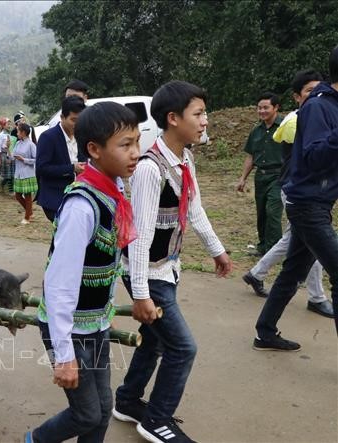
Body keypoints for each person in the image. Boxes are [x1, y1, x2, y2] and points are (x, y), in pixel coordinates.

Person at [113, 81, 232, 443]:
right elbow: (140, 234)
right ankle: (156, 420)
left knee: (155, 340)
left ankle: (128, 401)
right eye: (198, 114)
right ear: (173, 118)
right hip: (148, 272)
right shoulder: (151, 169)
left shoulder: (184, 160)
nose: (205, 121)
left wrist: (217, 249)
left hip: (167, 267)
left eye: (205, 113)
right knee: (182, 348)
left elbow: (194, 210)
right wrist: (140, 293)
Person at [28, 102, 140, 443]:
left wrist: (106, 313)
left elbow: (110, 259)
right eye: (125, 145)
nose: (135, 152)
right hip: (69, 328)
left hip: (94, 323)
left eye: (137, 142)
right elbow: (60, 284)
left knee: (103, 408)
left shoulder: (113, 191)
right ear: (94, 149)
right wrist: (64, 354)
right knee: (87, 412)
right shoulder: (82, 205)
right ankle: (34, 440)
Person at [254, 46, 338, 350]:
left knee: (293, 272)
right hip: (306, 204)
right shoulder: (318, 107)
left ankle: (264, 331)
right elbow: (315, 156)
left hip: (319, 201)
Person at [242, 69, 333, 318]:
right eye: (310, 91)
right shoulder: (299, 119)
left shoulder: (309, 115)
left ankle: (258, 277)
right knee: (310, 246)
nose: (317, 95)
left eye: (319, 89)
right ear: (297, 96)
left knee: (295, 246)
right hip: (300, 194)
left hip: (305, 194)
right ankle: (316, 297)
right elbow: (315, 157)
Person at [236, 92, 284, 256]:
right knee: (262, 213)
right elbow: (250, 156)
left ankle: (274, 250)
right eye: (259, 108)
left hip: (280, 176)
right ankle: (263, 246)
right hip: (261, 177)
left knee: (273, 211)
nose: (262, 111)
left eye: (266, 107)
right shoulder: (256, 131)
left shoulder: (286, 127)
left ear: (276, 107)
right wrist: (242, 178)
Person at [36, 96, 87, 222]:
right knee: (64, 233)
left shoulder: (81, 136)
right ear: (62, 117)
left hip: (78, 196)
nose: (77, 124)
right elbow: (42, 168)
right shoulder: (48, 137)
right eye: (73, 120)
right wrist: (72, 168)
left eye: (80, 120)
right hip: (55, 197)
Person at [12, 123, 37, 225]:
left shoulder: (31, 145)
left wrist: (23, 159)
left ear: (23, 132)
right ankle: (30, 212)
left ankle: (27, 217)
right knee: (17, 196)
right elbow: (13, 156)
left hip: (27, 173)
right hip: (18, 173)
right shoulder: (18, 143)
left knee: (27, 196)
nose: (17, 133)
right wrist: (7, 149)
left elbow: (36, 160)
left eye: (18, 131)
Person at [0, 117, 15, 194]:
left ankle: (10, 189)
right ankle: (4, 186)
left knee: (12, 174)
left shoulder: (9, 133)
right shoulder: (0, 135)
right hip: (4, 155)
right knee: (8, 175)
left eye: (9, 123)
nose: (9, 125)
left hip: (10, 154)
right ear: (3, 125)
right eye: (7, 123)